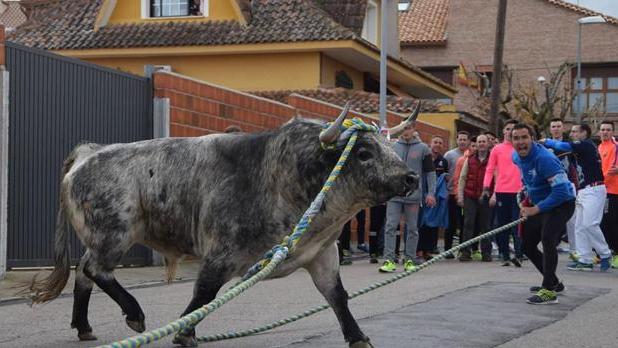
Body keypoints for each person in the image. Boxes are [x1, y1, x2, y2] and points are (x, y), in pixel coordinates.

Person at [511, 123, 576, 304]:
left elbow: (562, 191)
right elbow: (528, 176)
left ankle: (548, 291)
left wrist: (535, 209)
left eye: (524, 137)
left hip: (562, 204)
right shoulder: (515, 156)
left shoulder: (545, 158)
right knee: (527, 246)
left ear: (532, 139)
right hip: (541, 203)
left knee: (548, 238)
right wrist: (527, 195)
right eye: (516, 138)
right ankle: (555, 283)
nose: (520, 142)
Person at [541, 123, 612, 271]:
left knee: (589, 224)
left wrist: (546, 141)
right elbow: (561, 156)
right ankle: (585, 259)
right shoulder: (579, 151)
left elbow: (565, 147)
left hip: (594, 188)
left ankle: (605, 253)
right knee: (579, 226)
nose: (572, 134)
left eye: (575, 131)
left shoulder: (586, 144)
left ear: (584, 133)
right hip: (583, 190)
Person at [379, 122, 436, 273]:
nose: (406, 131)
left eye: (408, 128)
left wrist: (431, 193)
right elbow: (386, 170)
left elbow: (430, 173)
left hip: (413, 195)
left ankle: (410, 260)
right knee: (390, 227)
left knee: (412, 228)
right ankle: (389, 260)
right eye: (403, 128)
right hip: (395, 195)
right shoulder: (393, 147)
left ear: (414, 130)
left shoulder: (423, 148)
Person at [483, 120, 523, 266]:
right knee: (502, 225)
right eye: (507, 129)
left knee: (517, 225)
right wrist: (486, 187)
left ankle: (519, 254)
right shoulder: (497, 149)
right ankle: (504, 254)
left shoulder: (521, 148)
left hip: (519, 192)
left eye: (513, 129)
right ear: (504, 131)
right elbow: (489, 168)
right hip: (502, 191)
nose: (509, 131)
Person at [547, 118, 581, 260]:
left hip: (568, 185)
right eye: (553, 126)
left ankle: (574, 251)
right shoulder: (543, 147)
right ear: (550, 129)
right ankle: (550, 247)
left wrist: (577, 186)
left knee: (572, 220)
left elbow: (577, 167)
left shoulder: (569, 146)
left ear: (562, 128)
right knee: (550, 218)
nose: (556, 128)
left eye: (558, 126)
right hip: (550, 187)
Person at [457, 134, 492, 262]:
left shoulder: (493, 159)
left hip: (486, 197)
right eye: (479, 142)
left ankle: (486, 253)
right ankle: (465, 252)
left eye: (484, 141)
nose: (481, 144)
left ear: (488, 143)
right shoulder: (469, 159)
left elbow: (496, 177)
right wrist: (460, 195)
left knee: (486, 226)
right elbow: (462, 178)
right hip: (470, 196)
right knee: (468, 224)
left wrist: (493, 195)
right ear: (476, 144)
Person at [418, 136, 450, 260]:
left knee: (433, 225)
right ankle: (419, 250)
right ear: (430, 144)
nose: (437, 144)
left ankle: (428, 250)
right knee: (422, 224)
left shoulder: (443, 161)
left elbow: (445, 178)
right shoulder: (424, 157)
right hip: (423, 195)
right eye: (435, 142)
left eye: (440, 143)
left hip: (436, 199)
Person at [443, 131, 471, 258]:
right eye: (460, 139)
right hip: (451, 194)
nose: (462, 142)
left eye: (465, 139)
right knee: (451, 224)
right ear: (457, 140)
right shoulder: (449, 155)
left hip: (466, 195)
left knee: (465, 223)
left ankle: (462, 249)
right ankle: (448, 250)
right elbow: (443, 173)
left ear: (468, 141)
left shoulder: (471, 155)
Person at [598, 121, 618, 269]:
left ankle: (615, 254)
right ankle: (605, 252)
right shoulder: (599, 147)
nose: (605, 132)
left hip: (613, 191)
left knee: (611, 222)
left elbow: (612, 171)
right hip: (601, 190)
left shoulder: (615, 147)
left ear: (613, 132)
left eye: (608, 130)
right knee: (602, 222)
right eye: (603, 129)